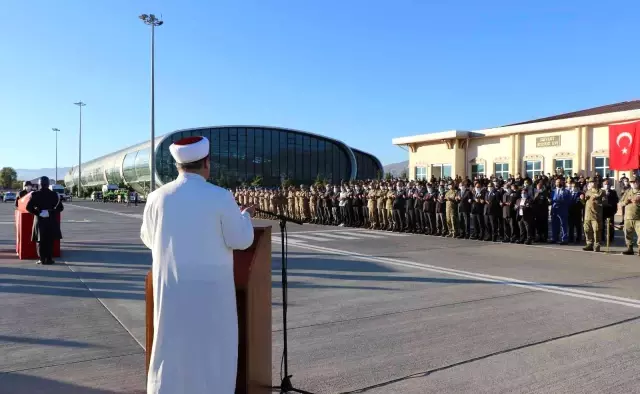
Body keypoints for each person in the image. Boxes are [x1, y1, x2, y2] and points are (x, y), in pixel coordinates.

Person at [141, 136, 255, 394]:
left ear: (178, 166)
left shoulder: (157, 197)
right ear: (206, 163)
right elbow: (241, 239)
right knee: (212, 351)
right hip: (211, 292)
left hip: (171, 289)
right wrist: (245, 216)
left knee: (171, 349)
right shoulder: (220, 196)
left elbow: (149, 238)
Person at [25, 177, 63, 265]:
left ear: (39, 184)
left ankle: (42, 259)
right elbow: (60, 208)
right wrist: (50, 212)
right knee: (50, 240)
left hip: (40, 220)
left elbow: (28, 207)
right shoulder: (54, 194)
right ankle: (49, 259)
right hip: (51, 220)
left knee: (40, 241)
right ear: (48, 184)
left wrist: (38, 213)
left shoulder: (35, 194)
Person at [621, 177, 640, 255]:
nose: (633, 183)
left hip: (638, 217)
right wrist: (626, 201)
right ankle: (629, 248)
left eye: (635, 182)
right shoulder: (627, 191)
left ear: (638, 182)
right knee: (627, 233)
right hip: (628, 217)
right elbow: (621, 202)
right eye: (631, 182)